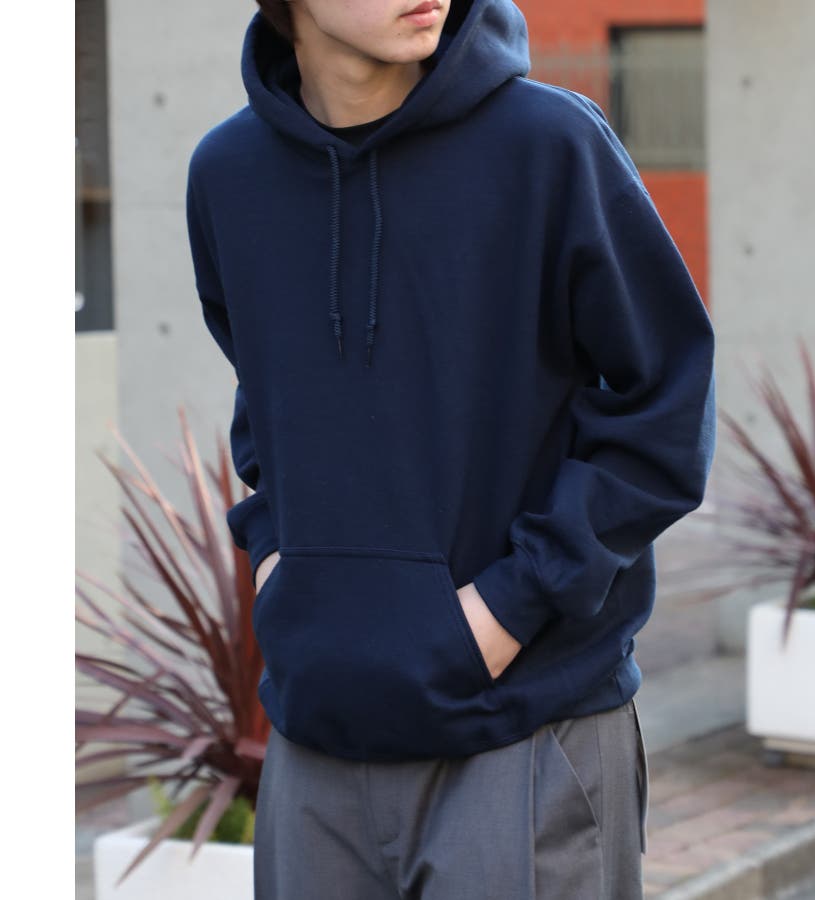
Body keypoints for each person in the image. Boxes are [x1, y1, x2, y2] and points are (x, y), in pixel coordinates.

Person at [184, 1, 716, 897]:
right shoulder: (229, 175)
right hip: (314, 745)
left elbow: (664, 403)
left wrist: (509, 607)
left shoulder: (550, 146)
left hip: (525, 733)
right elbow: (266, 396)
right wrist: (280, 563)